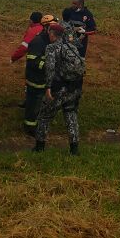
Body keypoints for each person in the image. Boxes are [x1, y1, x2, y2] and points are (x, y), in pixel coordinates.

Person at [33, 22, 86, 155]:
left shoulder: (51, 48)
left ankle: (39, 147)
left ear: (52, 34)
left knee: (45, 116)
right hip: (74, 88)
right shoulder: (71, 46)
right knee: (71, 115)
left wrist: (48, 87)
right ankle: (74, 149)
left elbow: (50, 68)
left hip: (59, 88)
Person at [22, 15, 58, 134]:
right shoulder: (38, 42)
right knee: (33, 104)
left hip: (44, 79)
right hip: (35, 80)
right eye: (52, 27)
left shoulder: (50, 40)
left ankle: (39, 121)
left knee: (41, 103)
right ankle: (30, 127)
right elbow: (33, 61)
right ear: (46, 28)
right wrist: (48, 65)